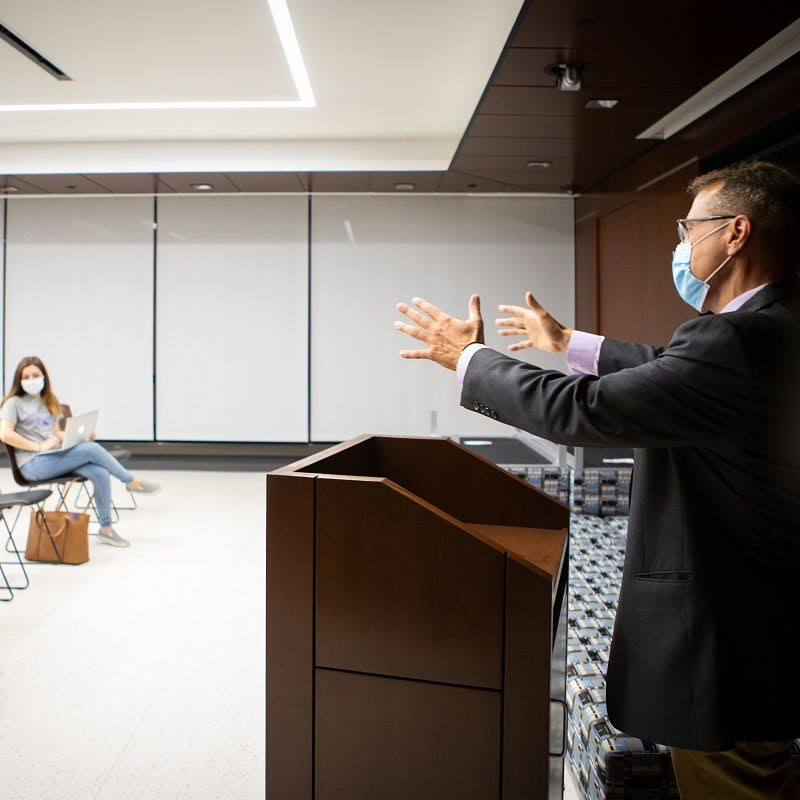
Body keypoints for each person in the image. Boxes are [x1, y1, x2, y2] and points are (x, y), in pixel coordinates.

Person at [394, 160, 800, 799]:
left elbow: (582, 412)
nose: (681, 243)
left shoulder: (735, 341)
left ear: (736, 233)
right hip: (767, 620)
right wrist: (568, 342)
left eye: (689, 228)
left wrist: (467, 358)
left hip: (729, 642)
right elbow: (671, 366)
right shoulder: (770, 327)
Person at [0, 356, 160, 548]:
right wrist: (39, 447)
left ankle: (106, 530)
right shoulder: (13, 403)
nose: (32, 379)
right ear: (19, 380)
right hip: (32, 464)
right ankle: (131, 481)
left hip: (52, 457)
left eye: (36, 375)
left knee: (99, 471)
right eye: (26, 376)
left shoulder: (48, 400)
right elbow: (5, 434)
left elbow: (56, 433)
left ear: (44, 377)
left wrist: (78, 437)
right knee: (91, 450)